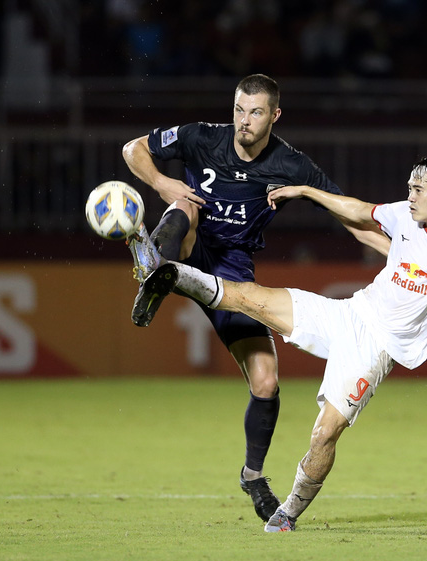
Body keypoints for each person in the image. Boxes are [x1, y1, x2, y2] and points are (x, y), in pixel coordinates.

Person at [130, 154, 427, 532]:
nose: (409, 195)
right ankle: (169, 273)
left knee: (324, 435)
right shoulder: (406, 216)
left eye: (419, 188)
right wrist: (307, 190)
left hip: (376, 349)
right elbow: (359, 210)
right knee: (252, 298)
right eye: (408, 187)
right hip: (348, 314)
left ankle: (288, 513)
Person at [121, 73, 390, 523]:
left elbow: (348, 215)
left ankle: (252, 475)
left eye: (256, 112)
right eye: (239, 109)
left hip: (233, 270)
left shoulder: (291, 164)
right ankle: (157, 273)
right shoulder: (201, 138)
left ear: (275, 115)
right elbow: (134, 149)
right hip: (190, 240)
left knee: (266, 383)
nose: (244, 121)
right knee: (185, 205)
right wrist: (161, 183)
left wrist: (401, 257)